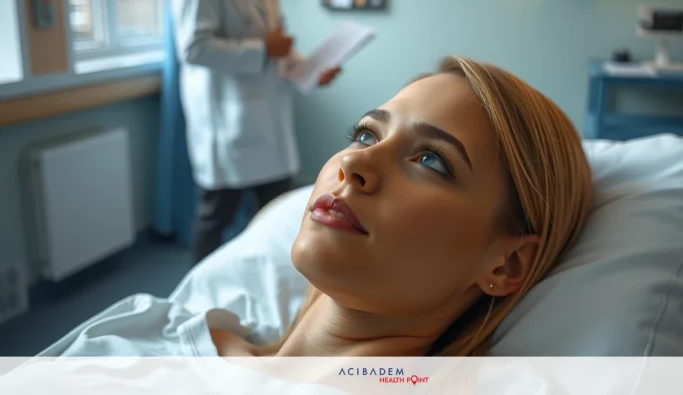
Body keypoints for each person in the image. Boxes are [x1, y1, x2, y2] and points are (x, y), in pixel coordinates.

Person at [33, 56, 593, 364]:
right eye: (365, 133)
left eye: (431, 160)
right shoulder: (148, 326)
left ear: (506, 264)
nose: (355, 163)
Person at [168, 0, 342, 264]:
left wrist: (309, 71)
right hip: (227, 127)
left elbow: (276, 46)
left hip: (266, 124)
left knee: (278, 213)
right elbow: (194, 49)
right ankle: (197, 298)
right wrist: (264, 49)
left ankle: (275, 286)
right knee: (216, 220)